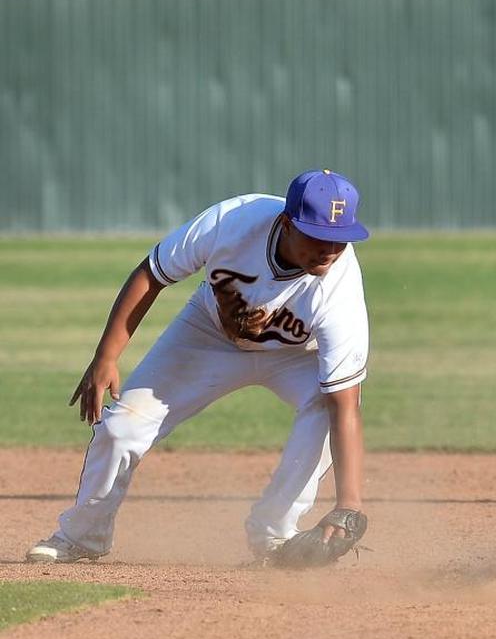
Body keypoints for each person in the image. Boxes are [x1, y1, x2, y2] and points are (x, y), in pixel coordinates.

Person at [26, 169, 371, 564]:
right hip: (207, 334)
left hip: (296, 356)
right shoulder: (234, 221)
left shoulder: (340, 293)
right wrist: (106, 356)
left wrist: (349, 504)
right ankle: (82, 535)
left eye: (340, 239)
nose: (330, 249)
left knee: (325, 408)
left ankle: (273, 537)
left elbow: (346, 404)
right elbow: (152, 274)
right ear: (287, 223)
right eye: (318, 236)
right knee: (122, 426)